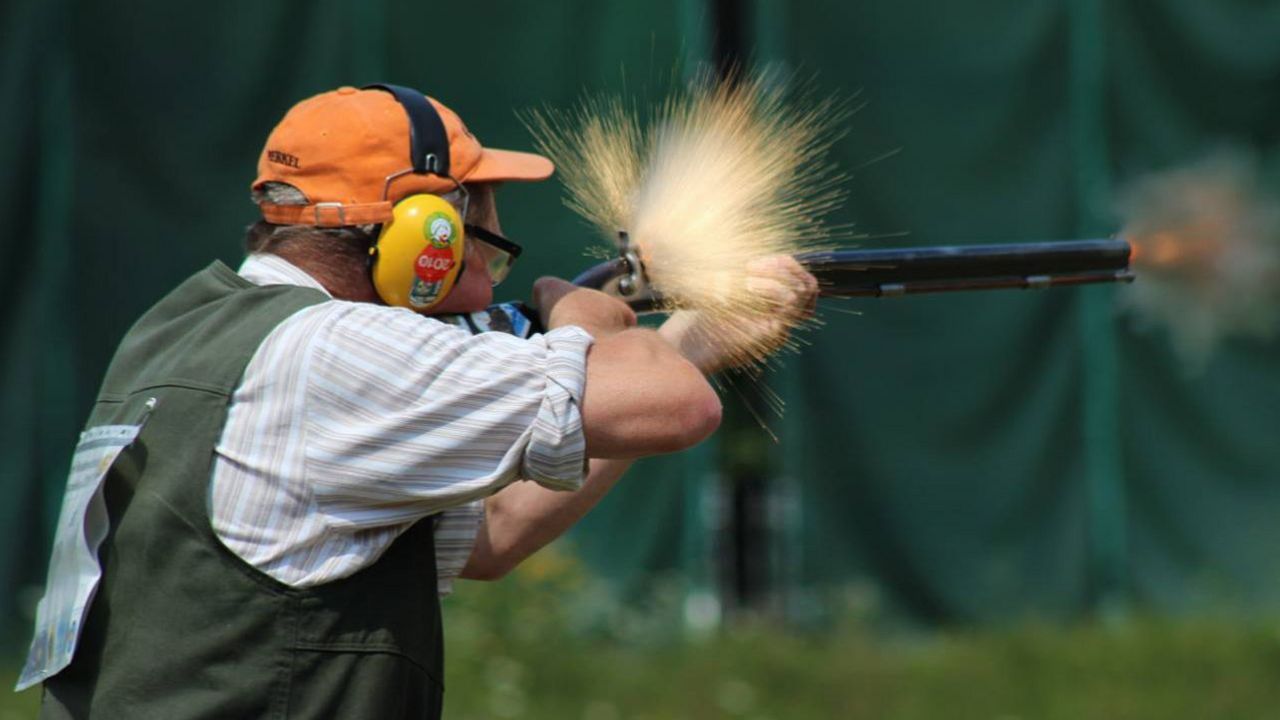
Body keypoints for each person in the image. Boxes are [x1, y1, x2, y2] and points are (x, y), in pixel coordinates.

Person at [20, 84, 817, 719]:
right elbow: (679, 411)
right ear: (424, 234)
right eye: (482, 216)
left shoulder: (188, 325)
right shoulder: (335, 351)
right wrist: (590, 320)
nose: (498, 244)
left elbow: (493, 537)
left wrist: (695, 342)